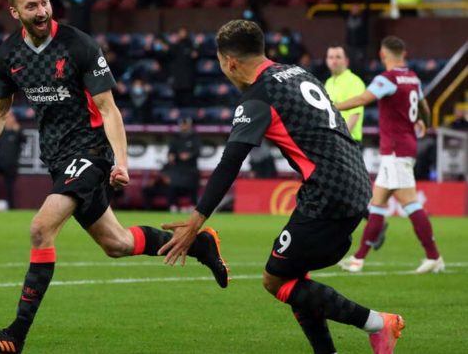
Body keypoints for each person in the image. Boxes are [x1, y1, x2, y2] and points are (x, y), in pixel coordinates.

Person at [0, 0, 228, 353]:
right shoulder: (8, 55)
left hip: (90, 152)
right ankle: (200, 246)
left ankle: (16, 334)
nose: (42, 11)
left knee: (40, 228)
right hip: (58, 159)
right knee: (118, 244)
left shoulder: (78, 45)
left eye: (45, 2)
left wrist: (121, 161)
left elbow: (108, 108)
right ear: (15, 12)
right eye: (31, 6)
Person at [159, 20, 404, 354]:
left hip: (327, 195)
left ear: (230, 63)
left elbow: (230, 162)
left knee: (274, 279)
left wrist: (195, 221)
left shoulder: (258, 97)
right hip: (354, 182)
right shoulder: (297, 72)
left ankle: (378, 324)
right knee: (293, 276)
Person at [336, 36, 444, 274]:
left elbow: (364, 99)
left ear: (383, 55)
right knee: (378, 204)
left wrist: (334, 106)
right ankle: (358, 260)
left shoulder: (388, 79)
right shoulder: (413, 77)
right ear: (403, 53)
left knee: (410, 203)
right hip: (402, 147)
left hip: (396, 149)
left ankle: (434, 256)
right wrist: (423, 123)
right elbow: (424, 106)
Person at [324, 45, 366, 145]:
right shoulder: (328, 83)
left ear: (346, 61)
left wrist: (339, 140)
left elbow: (355, 115)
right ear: (326, 60)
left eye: (338, 57)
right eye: (331, 57)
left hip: (348, 141)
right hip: (332, 141)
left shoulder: (355, 81)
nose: (334, 61)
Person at [164, 117, 201, 212]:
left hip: (191, 167)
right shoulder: (176, 137)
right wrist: (171, 156)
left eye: (186, 124)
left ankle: (192, 205)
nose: (184, 126)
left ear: (189, 125)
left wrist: (189, 155)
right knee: (173, 184)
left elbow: (198, 151)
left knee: (192, 185)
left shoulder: (195, 137)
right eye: (182, 124)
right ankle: (173, 205)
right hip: (178, 166)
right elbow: (171, 151)